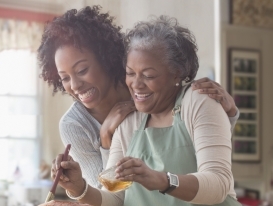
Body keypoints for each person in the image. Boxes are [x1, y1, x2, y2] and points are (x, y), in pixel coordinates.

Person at [51, 15, 256, 206]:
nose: (136, 85)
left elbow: (219, 184)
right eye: (130, 73)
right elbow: (116, 202)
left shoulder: (199, 102)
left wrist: (161, 180)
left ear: (177, 74)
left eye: (148, 75)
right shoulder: (128, 123)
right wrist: (79, 188)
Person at [39, 6, 239, 189]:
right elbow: (106, 197)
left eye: (82, 70)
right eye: (64, 78)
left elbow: (202, 156)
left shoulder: (150, 93)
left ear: (105, 58)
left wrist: (228, 115)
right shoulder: (74, 125)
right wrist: (106, 140)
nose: (74, 85)